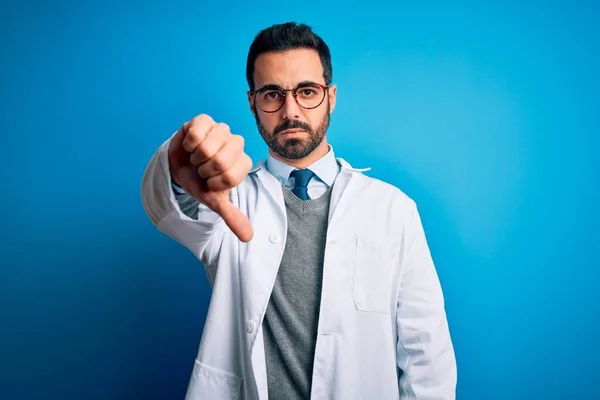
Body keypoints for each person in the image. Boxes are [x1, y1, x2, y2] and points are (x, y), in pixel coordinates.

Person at [141, 21, 456, 400]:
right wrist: (176, 167)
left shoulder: (392, 210)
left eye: (307, 91)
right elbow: (172, 209)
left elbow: (427, 355)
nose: (291, 111)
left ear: (331, 96)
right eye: (272, 94)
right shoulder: (228, 199)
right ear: (252, 102)